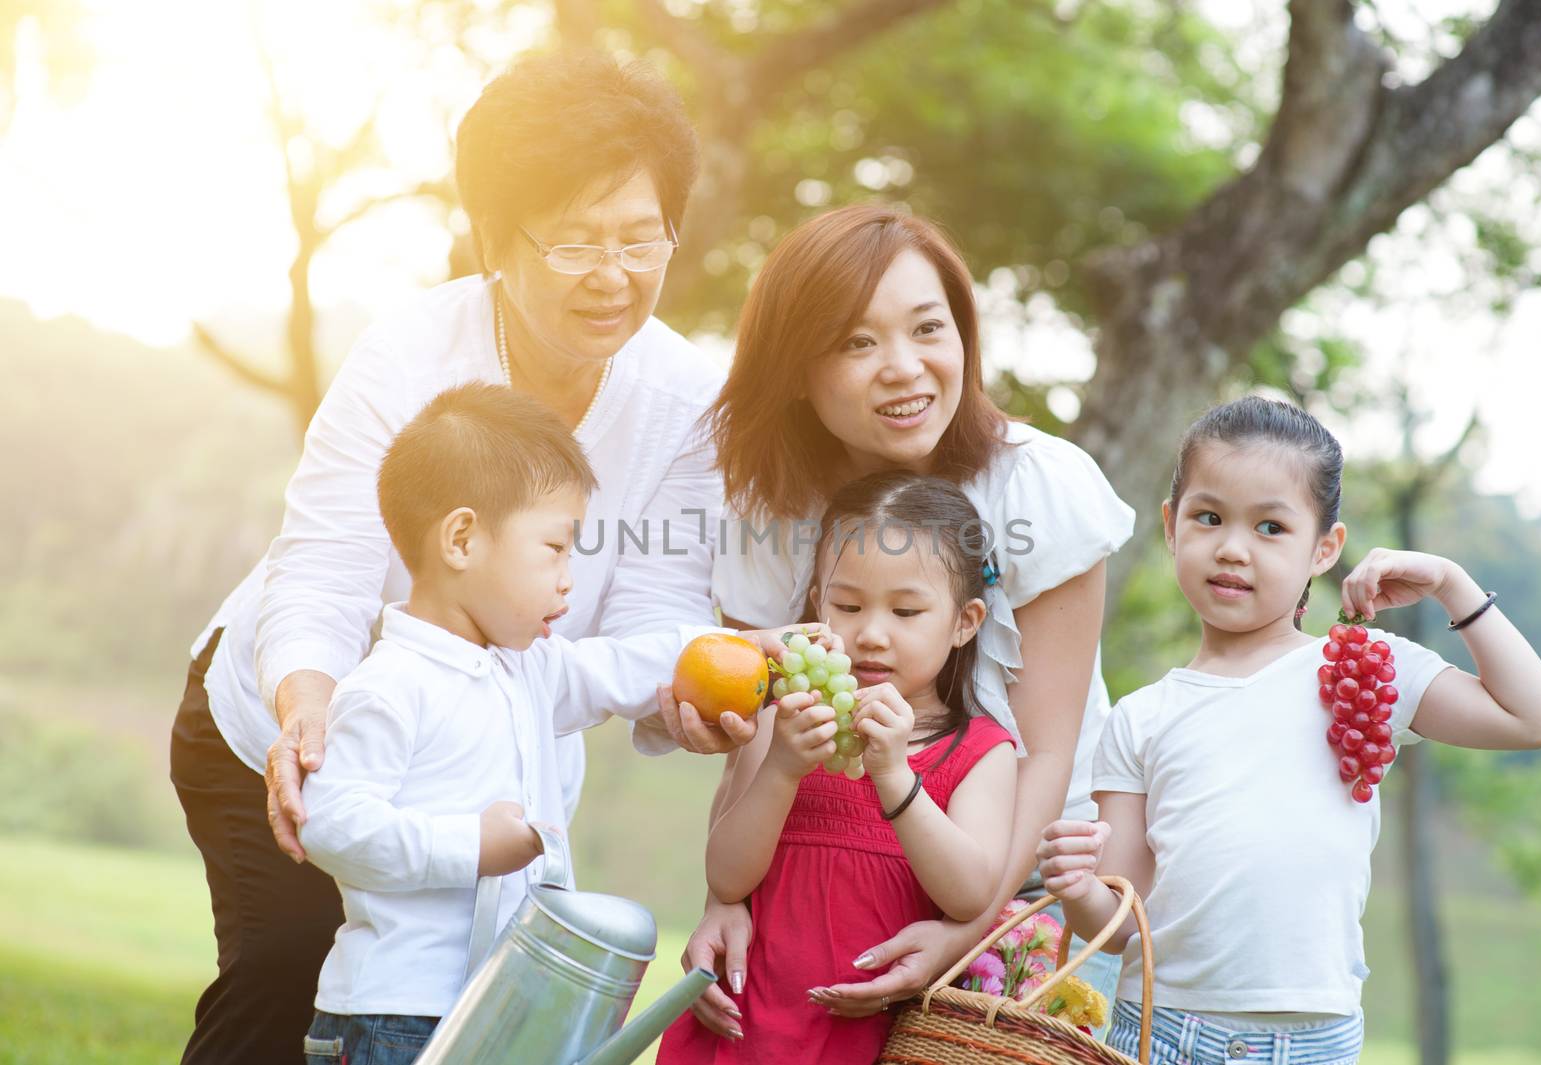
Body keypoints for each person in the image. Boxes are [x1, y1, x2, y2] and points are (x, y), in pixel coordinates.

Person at [169, 50, 732, 1064]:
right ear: (494, 238)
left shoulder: (686, 404)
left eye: (639, 238)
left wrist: (678, 692)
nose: (613, 275)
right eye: (572, 242)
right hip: (292, 728)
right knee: (287, 970)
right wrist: (308, 704)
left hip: (476, 773)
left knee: (455, 1025)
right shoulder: (413, 353)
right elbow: (329, 564)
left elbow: (659, 610)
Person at [678, 204, 1135, 1038]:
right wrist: (724, 899)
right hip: (820, 894)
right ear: (795, 368)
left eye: (929, 328)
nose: (904, 367)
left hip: (1017, 896)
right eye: (857, 341)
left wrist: (969, 931)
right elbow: (756, 738)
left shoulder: (1041, 488)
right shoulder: (771, 512)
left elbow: (1048, 746)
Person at [1037, 396, 1541, 1064]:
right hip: (1166, 1033)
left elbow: (1537, 717)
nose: (1233, 548)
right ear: (1173, 526)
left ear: (1325, 548)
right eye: (1209, 517)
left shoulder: (1365, 672)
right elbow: (1119, 922)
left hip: (1317, 1043)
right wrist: (1078, 887)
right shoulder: (1140, 718)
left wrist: (1451, 583)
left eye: (1270, 527)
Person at [298, 384, 805, 1065]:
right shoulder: (390, 685)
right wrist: (468, 845)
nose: (570, 579)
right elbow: (330, 824)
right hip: (398, 1015)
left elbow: (621, 665)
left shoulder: (525, 668)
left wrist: (749, 647)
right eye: (555, 549)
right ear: (461, 539)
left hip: (495, 1000)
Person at [658, 472, 1019, 1064]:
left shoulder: (980, 750)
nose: (871, 633)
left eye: (906, 611)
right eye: (847, 605)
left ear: (965, 622)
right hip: (747, 1032)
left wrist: (895, 775)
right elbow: (726, 879)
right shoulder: (783, 721)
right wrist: (779, 770)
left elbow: (969, 894)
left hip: (869, 1040)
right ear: (817, 604)